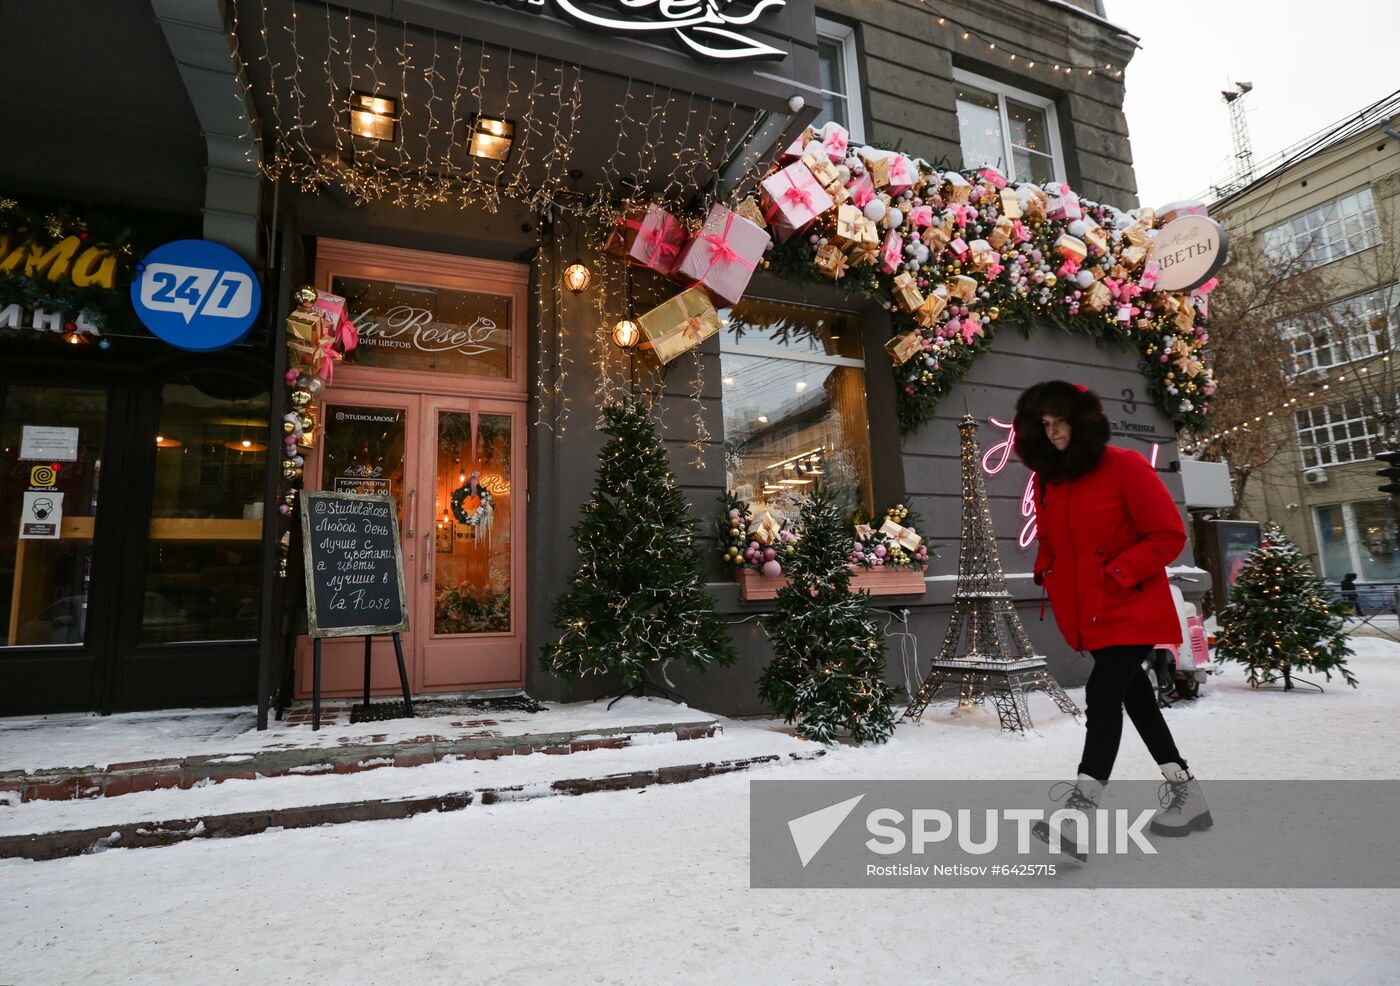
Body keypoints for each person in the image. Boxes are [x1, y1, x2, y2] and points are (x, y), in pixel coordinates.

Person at [1012, 380, 1210, 856]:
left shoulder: (1124, 466)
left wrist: (1118, 573)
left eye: (1061, 423)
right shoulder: (1048, 479)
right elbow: (1054, 539)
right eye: (1045, 425)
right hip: (1091, 611)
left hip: (1132, 603)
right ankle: (1187, 793)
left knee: (1101, 694)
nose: (1055, 433)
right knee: (1135, 699)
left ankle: (1079, 813)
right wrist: (1047, 568)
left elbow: (1168, 534)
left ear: (1082, 423)